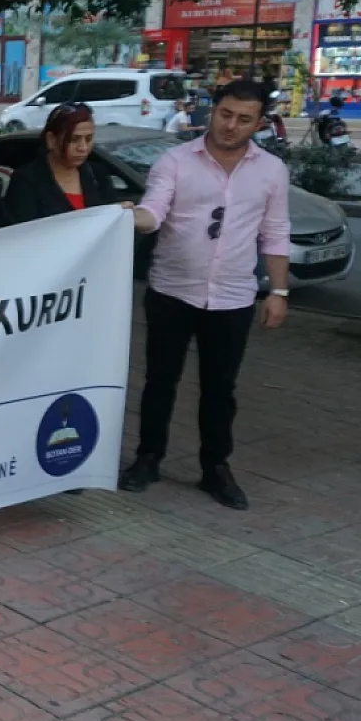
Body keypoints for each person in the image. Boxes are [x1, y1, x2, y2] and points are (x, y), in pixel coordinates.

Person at [121, 80, 291, 511]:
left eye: (244, 119)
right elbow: (153, 211)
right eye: (225, 114)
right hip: (172, 292)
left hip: (233, 298)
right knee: (160, 381)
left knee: (221, 388)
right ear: (211, 111)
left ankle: (215, 467)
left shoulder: (271, 171)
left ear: (258, 122)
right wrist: (131, 217)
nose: (231, 125)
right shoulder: (176, 161)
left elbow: (275, 233)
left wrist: (279, 291)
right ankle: (148, 458)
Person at [4, 103, 115, 223]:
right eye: (73, 140)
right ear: (51, 139)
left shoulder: (97, 174)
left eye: (88, 139)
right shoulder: (26, 180)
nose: (83, 147)